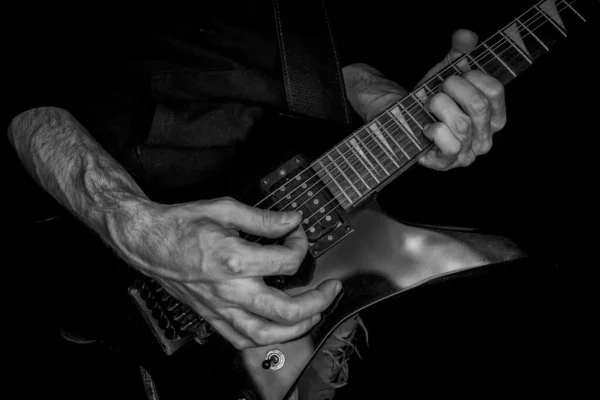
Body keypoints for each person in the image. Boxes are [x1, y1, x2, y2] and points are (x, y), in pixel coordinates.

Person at [6, 1, 507, 399]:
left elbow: (337, 40)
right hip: (96, 216)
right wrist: (130, 223)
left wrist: (379, 95)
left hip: (309, 202)